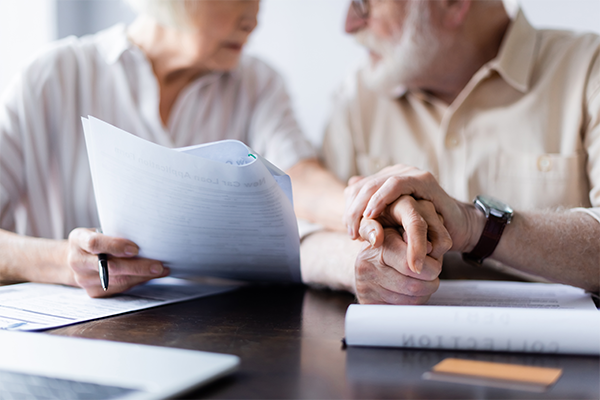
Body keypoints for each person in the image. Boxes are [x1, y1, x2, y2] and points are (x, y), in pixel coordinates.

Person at [0, 0, 336, 298]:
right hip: (67, 339)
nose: (254, 18)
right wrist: (62, 262)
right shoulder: (53, 77)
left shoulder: (258, 84)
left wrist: (363, 204)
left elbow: (300, 176)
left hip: (219, 333)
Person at [300, 0, 600, 304]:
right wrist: (353, 263)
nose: (349, 24)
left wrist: (474, 226)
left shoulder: (589, 69)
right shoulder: (358, 95)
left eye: (364, 4)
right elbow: (303, 229)